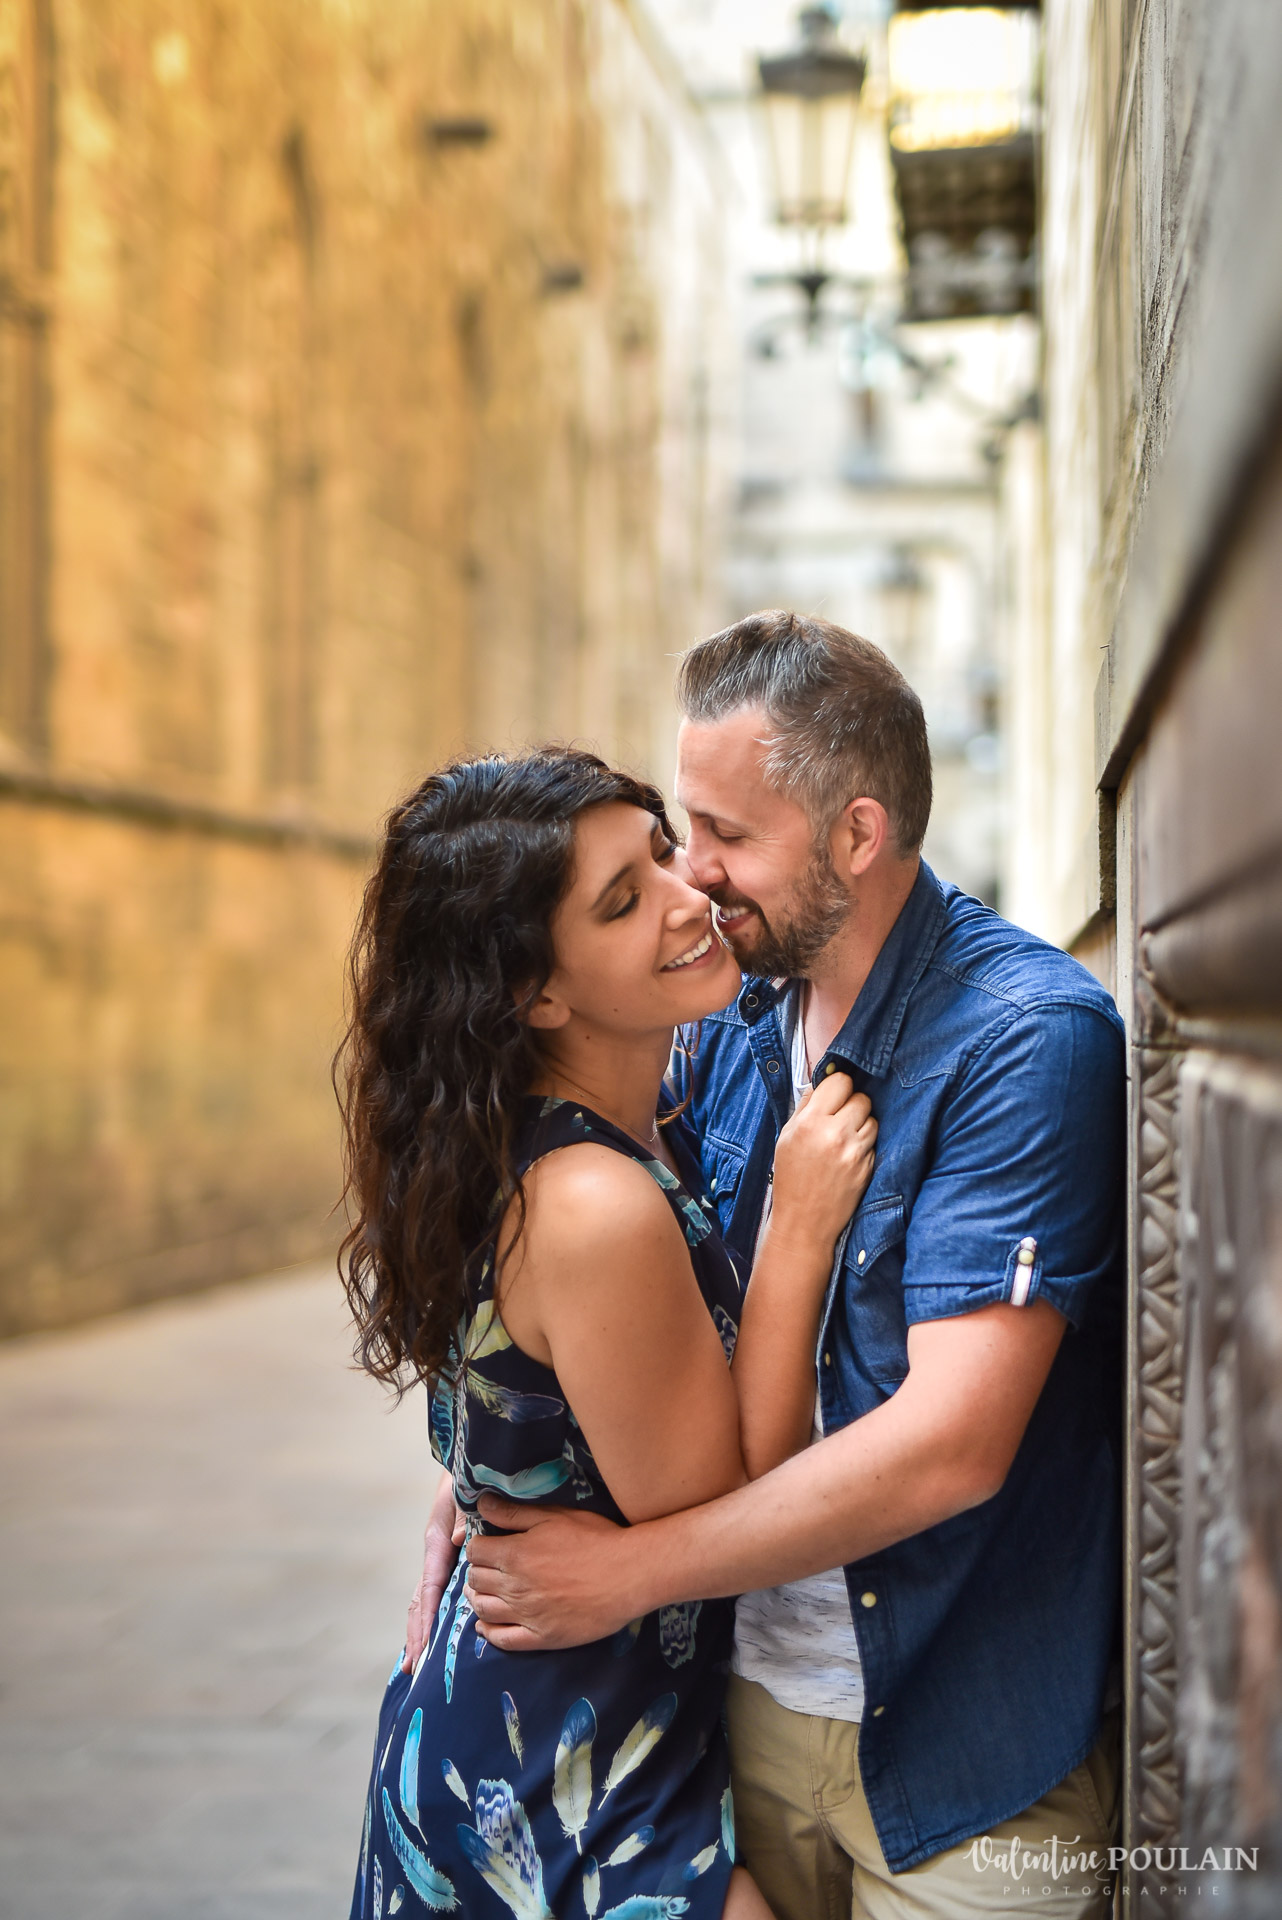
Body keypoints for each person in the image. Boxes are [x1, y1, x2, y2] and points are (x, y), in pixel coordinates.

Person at [412, 614, 1127, 1920]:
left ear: (855, 835)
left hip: (956, 1749)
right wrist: (491, 1477)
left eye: (726, 837)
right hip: (724, 1733)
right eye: (681, 832)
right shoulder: (719, 1016)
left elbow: (949, 1446)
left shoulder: (1022, 1039)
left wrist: (623, 1574)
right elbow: (594, 1304)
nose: (696, 880)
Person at [337, 746, 878, 1920]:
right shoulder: (591, 1202)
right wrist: (797, 1236)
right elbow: (730, 1502)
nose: (691, 901)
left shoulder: (597, 1123)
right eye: (624, 902)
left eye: (664, 853)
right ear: (537, 991)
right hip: (560, 1784)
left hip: (563, 1727)